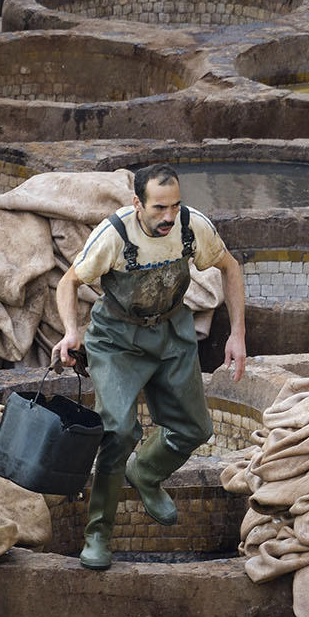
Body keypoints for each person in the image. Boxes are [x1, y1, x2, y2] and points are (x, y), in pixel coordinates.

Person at [50, 163, 247, 570]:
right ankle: (98, 534)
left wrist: (238, 335)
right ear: (137, 203)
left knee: (197, 428)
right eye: (159, 208)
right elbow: (68, 281)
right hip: (117, 339)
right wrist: (71, 332)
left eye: (174, 206)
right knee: (118, 430)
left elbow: (230, 267)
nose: (169, 217)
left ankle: (146, 472)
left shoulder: (192, 227)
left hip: (172, 330)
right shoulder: (114, 235)